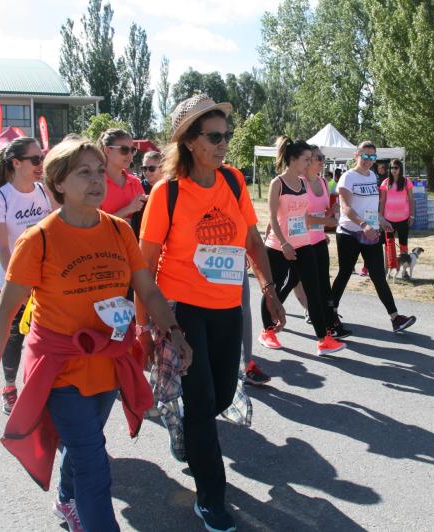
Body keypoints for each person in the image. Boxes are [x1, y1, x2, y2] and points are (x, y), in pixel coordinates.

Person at [0, 136, 190, 531]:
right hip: (59, 367)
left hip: (108, 362)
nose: (96, 181)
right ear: (58, 183)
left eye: (98, 171)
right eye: (83, 173)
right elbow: (5, 314)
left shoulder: (120, 232)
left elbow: (148, 290)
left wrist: (173, 330)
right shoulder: (37, 239)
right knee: (94, 461)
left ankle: (64, 499)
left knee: (83, 444)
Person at [137, 93, 285, 531]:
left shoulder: (235, 181)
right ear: (189, 141)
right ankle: (211, 498)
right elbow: (145, 264)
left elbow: (252, 241)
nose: (223, 143)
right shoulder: (167, 193)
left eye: (226, 135)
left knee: (220, 395)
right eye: (214, 136)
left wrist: (270, 291)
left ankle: (182, 426)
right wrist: (146, 325)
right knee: (202, 402)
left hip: (226, 307)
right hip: (181, 309)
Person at [0, 137, 53, 414]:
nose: (41, 165)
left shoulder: (44, 191)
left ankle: (41, 389)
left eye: (42, 158)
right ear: (15, 163)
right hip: (13, 283)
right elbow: (3, 248)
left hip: (46, 283)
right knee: (13, 339)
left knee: (45, 338)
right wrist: (21, 284)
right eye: (35, 160)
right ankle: (9, 387)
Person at [258, 136, 345, 355]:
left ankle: (323, 339)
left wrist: (321, 228)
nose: (309, 163)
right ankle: (267, 331)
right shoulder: (278, 183)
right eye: (306, 159)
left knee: (314, 290)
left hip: (303, 243)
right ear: (294, 159)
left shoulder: (302, 183)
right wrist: (285, 243)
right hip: (279, 246)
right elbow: (272, 217)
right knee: (273, 289)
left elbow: (303, 215)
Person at [331, 141, 417, 333]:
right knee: (345, 273)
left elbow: (370, 205)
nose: (368, 161)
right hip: (349, 233)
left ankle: (395, 318)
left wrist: (380, 219)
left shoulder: (372, 176)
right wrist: (363, 224)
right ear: (356, 155)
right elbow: (345, 207)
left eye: (372, 157)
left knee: (378, 275)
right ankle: (331, 314)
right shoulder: (347, 177)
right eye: (365, 156)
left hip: (370, 232)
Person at [98, 128, 146, 234]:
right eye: (124, 150)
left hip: (132, 246)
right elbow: (94, 225)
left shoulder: (135, 182)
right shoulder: (96, 184)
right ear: (107, 150)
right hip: (104, 247)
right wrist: (128, 210)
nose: (130, 155)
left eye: (132, 150)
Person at [380, 158, 414, 270]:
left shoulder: (406, 182)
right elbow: (382, 201)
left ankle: (404, 271)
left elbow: (411, 199)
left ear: (400, 169)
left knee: (403, 244)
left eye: (396, 168)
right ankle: (389, 268)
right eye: (391, 168)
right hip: (388, 219)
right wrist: (381, 217)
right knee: (388, 245)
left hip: (404, 218)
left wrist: (412, 215)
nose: (393, 170)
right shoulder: (385, 182)